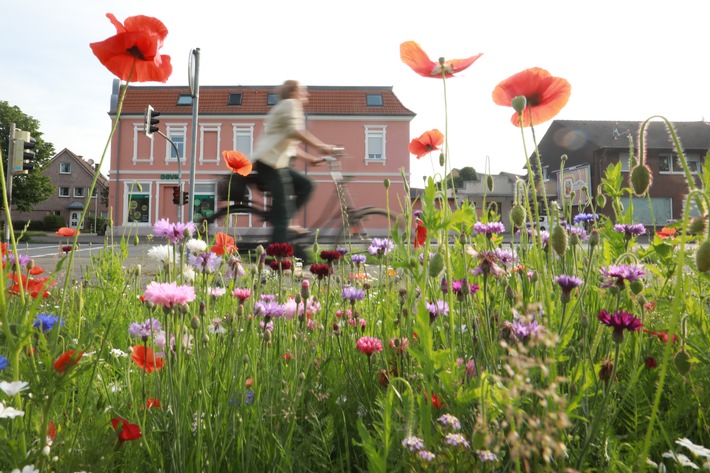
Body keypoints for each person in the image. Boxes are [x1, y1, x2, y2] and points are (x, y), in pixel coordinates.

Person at [250, 80, 338, 244]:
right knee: (283, 215)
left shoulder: (286, 107)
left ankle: (285, 222)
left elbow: (290, 145)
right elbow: (294, 131)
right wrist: (321, 146)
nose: (307, 94)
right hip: (270, 164)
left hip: (275, 163)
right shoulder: (291, 104)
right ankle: (277, 256)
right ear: (293, 92)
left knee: (306, 184)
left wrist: (310, 159)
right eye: (303, 91)